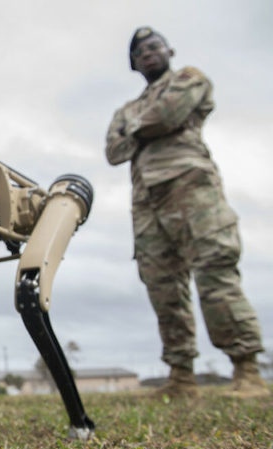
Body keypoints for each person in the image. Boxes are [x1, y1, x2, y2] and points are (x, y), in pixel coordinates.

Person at [106, 27, 268, 399]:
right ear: (133, 64)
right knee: (162, 286)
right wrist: (143, 126)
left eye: (153, 46)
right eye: (139, 52)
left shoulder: (188, 78)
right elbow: (114, 152)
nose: (147, 53)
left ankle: (247, 370)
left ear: (169, 50)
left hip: (191, 188)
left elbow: (168, 114)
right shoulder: (125, 108)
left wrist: (136, 129)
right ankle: (181, 376)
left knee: (215, 271)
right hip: (146, 202)